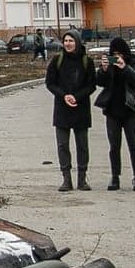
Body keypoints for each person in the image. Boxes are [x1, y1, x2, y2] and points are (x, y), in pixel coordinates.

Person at [45, 28, 96, 192]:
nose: (68, 43)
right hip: (62, 109)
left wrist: (77, 96)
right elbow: (50, 83)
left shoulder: (86, 61)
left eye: (71, 40)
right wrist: (64, 96)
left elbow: (91, 85)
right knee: (62, 145)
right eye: (66, 41)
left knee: (82, 145)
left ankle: (82, 178)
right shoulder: (57, 60)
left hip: (81, 109)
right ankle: (66, 179)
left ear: (77, 42)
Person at [94, 34, 135, 191]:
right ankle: (115, 177)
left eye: (119, 54)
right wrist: (103, 70)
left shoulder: (134, 62)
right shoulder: (109, 64)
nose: (116, 57)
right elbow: (99, 82)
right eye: (114, 54)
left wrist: (125, 67)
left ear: (125, 53)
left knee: (133, 145)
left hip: (130, 110)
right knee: (114, 146)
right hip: (112, 110)